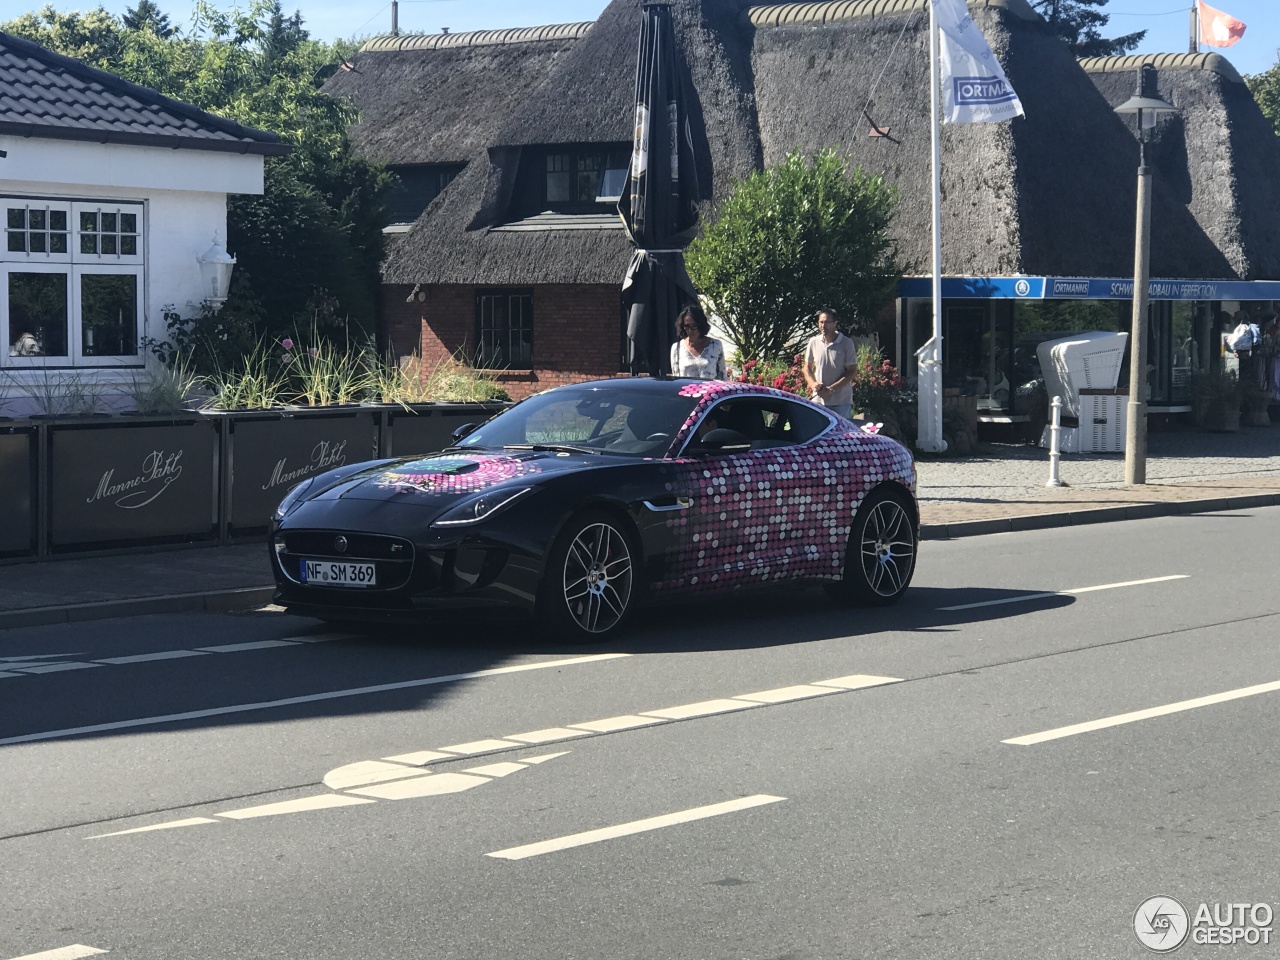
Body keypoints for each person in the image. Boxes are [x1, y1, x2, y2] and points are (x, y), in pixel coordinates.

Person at [802, 307, 859, 419]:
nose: (823, 326)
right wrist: (813, 384)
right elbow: (806, 367)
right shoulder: (814, 342)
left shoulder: (846, 343)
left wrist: (831, 389)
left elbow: (851, 371)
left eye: (827, 322)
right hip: (818, 400)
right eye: (821, 322)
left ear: (835, 324)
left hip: (841, 402)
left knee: (840, 434)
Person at [670, 304, 726, 379]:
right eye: (687, 326)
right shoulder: (676, 348)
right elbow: (676, 378)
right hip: (686, 390)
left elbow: (722, 376)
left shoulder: (715, 345)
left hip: (710, 390)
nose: (690, 330)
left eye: (694, 326)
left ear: (700, 325)